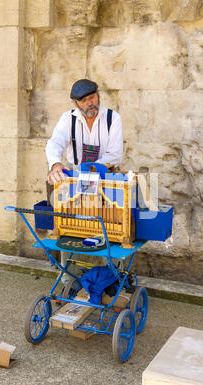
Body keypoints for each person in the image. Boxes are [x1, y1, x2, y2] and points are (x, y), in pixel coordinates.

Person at [45, 79, 123, 288]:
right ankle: (67, 279)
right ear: (76, 103)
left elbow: (115, 154)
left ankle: (112, 279)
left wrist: (91, 172)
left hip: (106, 179)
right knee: (69, 228)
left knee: (111, 229)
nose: (91, 103)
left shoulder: (112, 118)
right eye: (85, 100)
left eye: (93, 97)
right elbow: (55, 142)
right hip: (76, 179)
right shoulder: (68, 119)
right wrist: (56, 164)